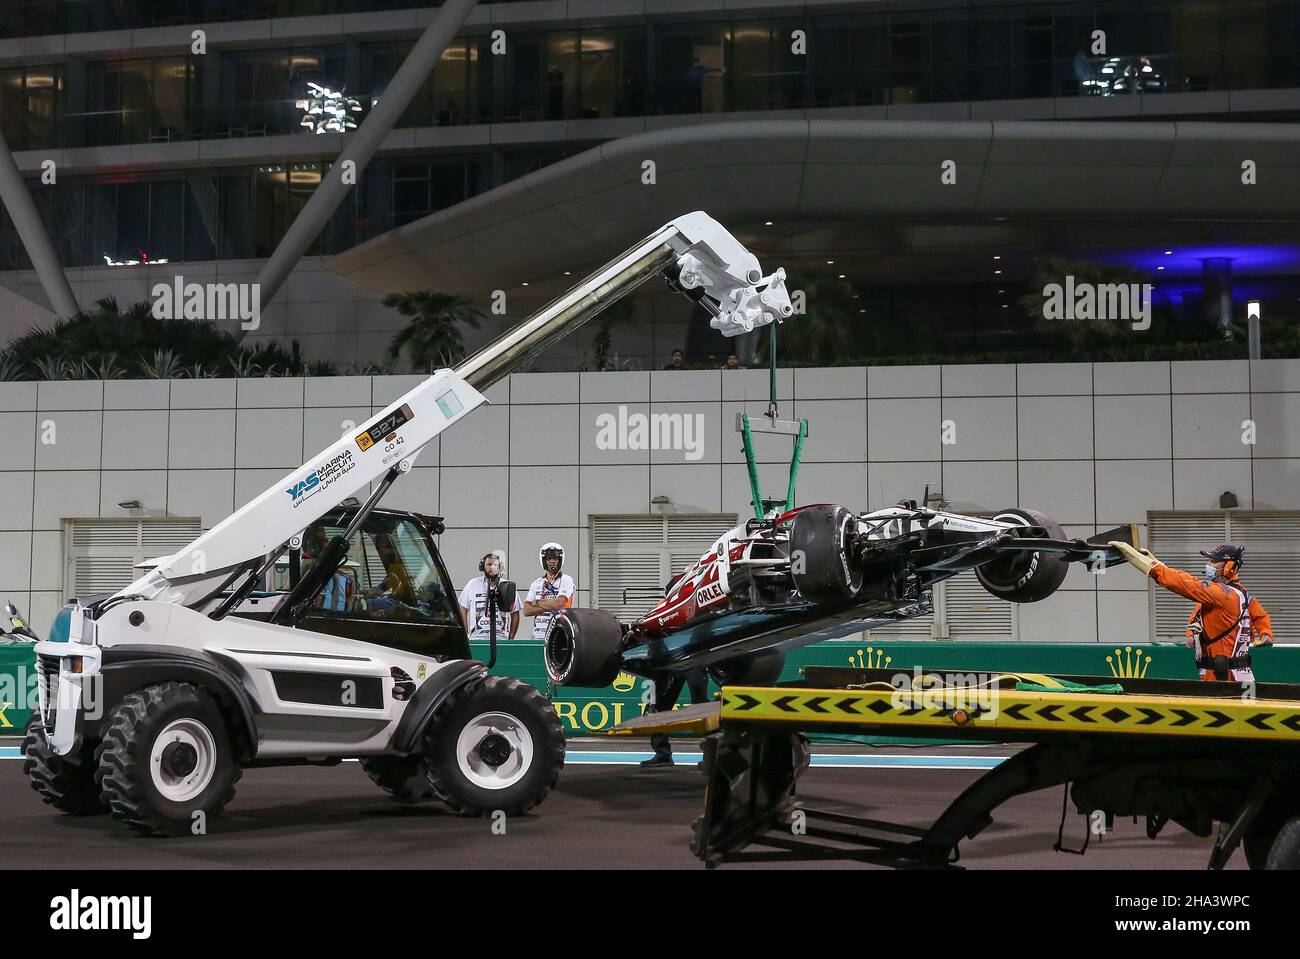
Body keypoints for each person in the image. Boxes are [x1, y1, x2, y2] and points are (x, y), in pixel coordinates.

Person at [1110, 541, 1274, 682]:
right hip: (1236, 675)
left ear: (1230, 567)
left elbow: (1183, 583)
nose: (1208, 565)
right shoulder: (1239, 594)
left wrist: (1140, 560)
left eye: (1213, 561)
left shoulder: (1223, 594)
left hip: (1223, 678)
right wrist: (1153, 560)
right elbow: (1196, 616)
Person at [642, 668, 709, 768]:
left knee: (702, 708)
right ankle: (662, 755)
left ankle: (710, 756)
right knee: (659, 706)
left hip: (696, 661)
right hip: (671, 662)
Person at [459, 551, 522, 640]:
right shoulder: (472, 584)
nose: (492, 567)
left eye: (495, 565)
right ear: (482, 566)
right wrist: (465, 635)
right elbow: (462, 609)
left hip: (501, 639)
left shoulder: (508, 586)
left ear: (499, 567)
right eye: (489, 564)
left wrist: (511, 638)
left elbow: (515, 613)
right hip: (476, 638)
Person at [524, 543, 575, 639]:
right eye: (549, 558)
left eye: (555, 558)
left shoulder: (566, 580)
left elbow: (558, 604)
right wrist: (550, 605)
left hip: (558, 635)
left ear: (559, 560)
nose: (552, 561)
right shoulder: (536, 583)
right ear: (544, 561)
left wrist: (537, 603)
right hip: (537, 635)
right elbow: (527, 610)